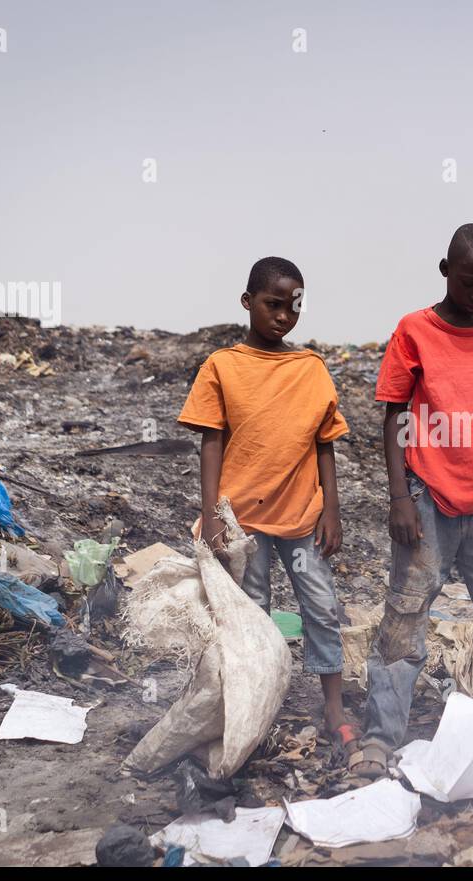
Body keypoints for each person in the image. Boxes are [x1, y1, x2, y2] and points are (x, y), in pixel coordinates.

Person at [347, 223, 473, 780]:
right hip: (428, 498)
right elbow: (394, 413)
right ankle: (382, 738)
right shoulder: (414, 330)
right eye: (469, 279)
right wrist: (398, 496)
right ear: (445, 270)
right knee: (404, 621)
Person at [176, 256, 356, 760]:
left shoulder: (310, 369)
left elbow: (325, 443)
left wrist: (332, 509)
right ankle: (251, 711)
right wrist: (211, 513)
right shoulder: (223, 366)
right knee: (251, 621)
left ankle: (334, 708)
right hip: (245, 524)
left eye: (293, 307)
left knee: (321, 609)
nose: (283, 316)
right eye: (272, 305)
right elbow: (211, 443)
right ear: (247, 302)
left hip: (301, 519)